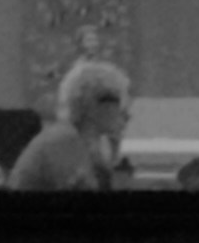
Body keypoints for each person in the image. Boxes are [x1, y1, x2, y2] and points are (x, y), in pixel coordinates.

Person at [7, 59, 130, 193]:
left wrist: (113, 156)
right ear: (92, 105)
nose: (125, 112)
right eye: (118, 102)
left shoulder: (84, 142)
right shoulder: (64, 141)